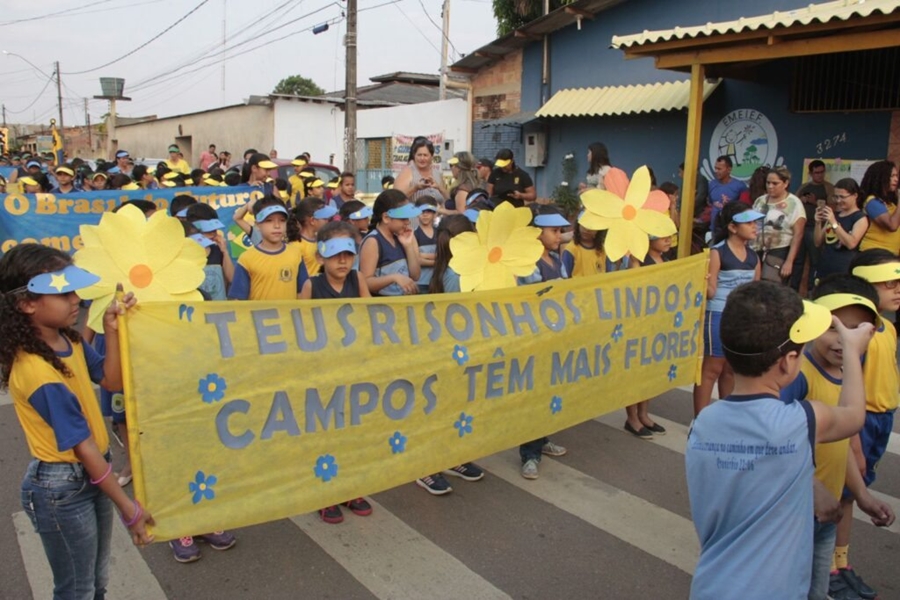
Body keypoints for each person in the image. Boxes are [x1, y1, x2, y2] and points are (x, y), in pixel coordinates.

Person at [686, 280, 874, 600]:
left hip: (711, 586)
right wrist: (853, 352)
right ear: (788, 362)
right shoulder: (801, 421)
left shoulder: (703, 424)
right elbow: (854, 414)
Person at [0, 244, 154, 598]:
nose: (76, 300)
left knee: (95, 581)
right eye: (63, 292)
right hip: (62, 489)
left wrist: (111, 328)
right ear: (26, 303)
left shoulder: (69, 340)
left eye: (75, 290)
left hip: (90, 475)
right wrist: (129, 508)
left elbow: (111, 381)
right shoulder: (38, 373)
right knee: (76, 590)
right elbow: (83, 448)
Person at [780, 275, 895, 600]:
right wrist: (813, 488)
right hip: (794, 512)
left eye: (857, 331)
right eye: (834, 327)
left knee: (816, 591)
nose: (843, 339)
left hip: (827, 513)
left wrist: (861, 495)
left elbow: (837, 444)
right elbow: (774, 442)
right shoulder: (799, 377)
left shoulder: (845, 373)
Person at [830, 249, 900, 600]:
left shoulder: (887, 327)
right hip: (861, 421)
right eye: (888, 282)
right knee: (843, 495)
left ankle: (842, 563)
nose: (897, 288)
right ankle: (829, 567)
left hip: (882, 419)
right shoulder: (861, 333)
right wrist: (854, 438)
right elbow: (844, 385)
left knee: (851, 498)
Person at [297, 221, 375, 522]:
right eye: (335, 254)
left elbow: (370, 320)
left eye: (348, 254)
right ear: (320, 257)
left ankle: (349, 487)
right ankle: (325, 492)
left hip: (354, 370)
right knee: (325, 434)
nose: (343, 261)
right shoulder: (311, 286)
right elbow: (301, 331)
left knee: (352, 432)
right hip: (323, 373)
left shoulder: (358, 279)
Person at [411, 214, 486, 495]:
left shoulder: (457, 268)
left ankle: (452, 458)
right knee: (440, 410)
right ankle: (426, 468)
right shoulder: (455, 275)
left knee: (455, 407)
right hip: (451, 351)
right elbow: (460, 319)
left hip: (458, 351)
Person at [693, 203, 762, 416]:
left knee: (731, 370)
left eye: (754, 222)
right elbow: (711, 291)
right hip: (718, 315)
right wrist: (701, 281)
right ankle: (700, 421)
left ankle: (726, 419)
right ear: (733, 227)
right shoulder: (717, 252)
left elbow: (754, 292)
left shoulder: (754, 257)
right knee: (712, 369)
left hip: (740, 320)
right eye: (748, 222)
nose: (754, 227)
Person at [517, 206, 569, 479]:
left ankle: (542, 438)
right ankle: (529, 454)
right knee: (533, 395)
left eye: (560, 231)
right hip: (534, 338)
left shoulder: (556, 259)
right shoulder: (528, 264)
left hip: (553, 337)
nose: (559, 236)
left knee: (548, 391)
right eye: (554, 231)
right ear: (537, 233)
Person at [227, 197, 309, 301]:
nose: (277, 226)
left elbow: (303, 290)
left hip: (289, 316)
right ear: (257, 225)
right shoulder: (246, 259)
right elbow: (237, 299)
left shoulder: (295, 254)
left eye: (282, 220)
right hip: (259, 317)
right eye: (269, 221)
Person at [359, 189, 421, 296]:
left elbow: (415, 275)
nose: (407, 222)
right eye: (403, 218)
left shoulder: (399, 238)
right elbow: (365, 282)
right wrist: (394, 277)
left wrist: (408, 246)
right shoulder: (373, 242)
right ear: (386, 218)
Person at [753, 167, 806, 289]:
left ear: (786, 183)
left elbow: (798, 235)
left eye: (775, 183)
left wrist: (789, 261)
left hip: (779, 251)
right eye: (768, 183)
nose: (770, 186)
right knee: (755, 287)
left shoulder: (794, 203)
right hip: (756, 249)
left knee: (771, 288)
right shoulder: (760, 201)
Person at [813, 178, 867, 282]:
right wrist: (818, 222)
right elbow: (817, 242)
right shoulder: (835, 215)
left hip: (844, 268)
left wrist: (834, 223)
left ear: (855, 196)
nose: (838, 201)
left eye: (842, 197)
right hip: (825, 266)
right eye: (836, 197)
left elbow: (851, 243)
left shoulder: (860, 218)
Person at [795, 160, 836, 290]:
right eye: (817, 172)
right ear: (811, 173)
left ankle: (811, 290)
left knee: (815, 261)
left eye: (822, 172)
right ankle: (793, 289)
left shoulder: (829, 187)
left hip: (816, 228)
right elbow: (794, 203)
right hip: (801, 226)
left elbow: (833, 208)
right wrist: (801, 201)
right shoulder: (804, 186)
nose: (820, 175)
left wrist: (815, 202)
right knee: (798, 261)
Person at [185, 203, 234, 301]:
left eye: (214, 229)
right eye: (208, 230)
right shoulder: (185, 253)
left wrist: (225, 252)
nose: (213, 233)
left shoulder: (218, 250)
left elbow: (232, 278)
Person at [859, 160, 900, 255]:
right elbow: (892, 225)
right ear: (881, 178)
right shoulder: (872, 202)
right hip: (875, 253)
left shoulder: (890, 203)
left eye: (896, 176)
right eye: (892, 176)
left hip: (889, 253)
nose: (896, 179)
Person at [393, 136, 448, 205]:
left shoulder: (437, 174)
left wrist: (439, 188)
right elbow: (395, 200)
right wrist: (415, 188)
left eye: (425, 155)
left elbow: (448, 199)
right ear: (414, 155)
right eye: (419, 155)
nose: (422, 158)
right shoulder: (407, 173)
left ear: (431, 156)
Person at [290, 198, 335, 277]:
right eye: (325, 219)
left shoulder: (321, 239)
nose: (328, 221)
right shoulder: (296, 246)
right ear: (312, 221)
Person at [708, 156, 748, 226]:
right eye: (715, 168)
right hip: (714, 229)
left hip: (731, 229)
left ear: (729, 169)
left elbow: (744, 209)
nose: (716, 171)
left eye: (719, 169)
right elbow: (711, 203)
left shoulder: (740, 186)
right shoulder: (712, 184)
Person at [414, 198, 437, 293]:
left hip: (437, 281)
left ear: (434, 214)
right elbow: (416, 261)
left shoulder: (440, 232)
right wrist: (438, 261)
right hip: (421, 282)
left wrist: (423, 256)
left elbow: (445, 255)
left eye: (429, 211)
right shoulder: (414, 235)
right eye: (422, 211)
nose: (425, 214)